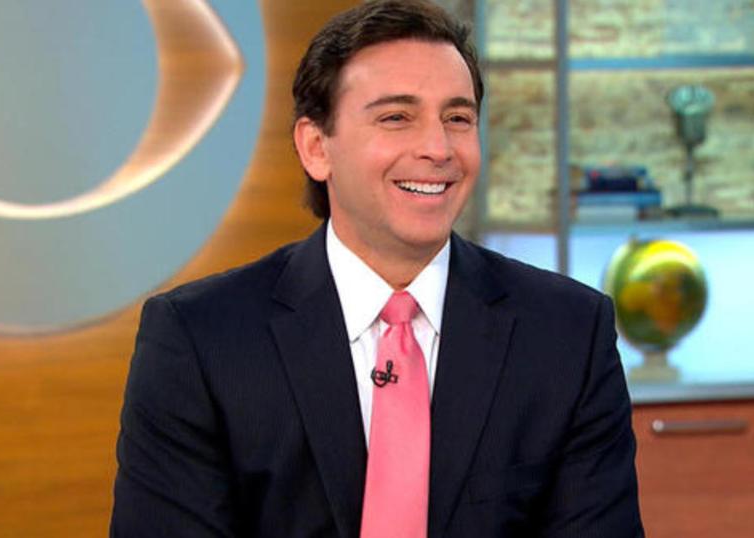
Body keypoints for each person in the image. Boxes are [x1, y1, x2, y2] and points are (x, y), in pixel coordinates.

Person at [111, 1, 643, 536]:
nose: (438, 148)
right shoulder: (201, 340)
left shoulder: (568, 333)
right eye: (396, 118)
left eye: (457, 119)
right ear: (316, 148)